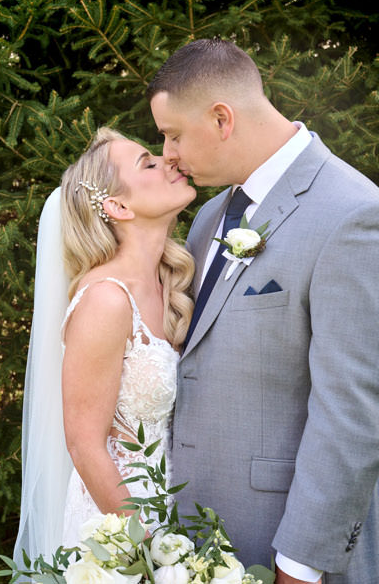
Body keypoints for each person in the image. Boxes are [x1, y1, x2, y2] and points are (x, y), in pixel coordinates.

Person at [150, 38, 379, 584]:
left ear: (222, 118)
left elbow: (352, 412)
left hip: (287, 549)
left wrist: (299, 566)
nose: (167, 154)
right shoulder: (209, 217)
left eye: (173, 134)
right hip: (196, 540)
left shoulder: (353, 215)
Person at [14, 126, 196, 561]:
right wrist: (153, 556)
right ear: (117, 206)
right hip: (119, 531)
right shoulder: (106, 301)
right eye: (147, 163)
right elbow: (84, 445)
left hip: (178, 514)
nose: (167, 161)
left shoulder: (168, 284)